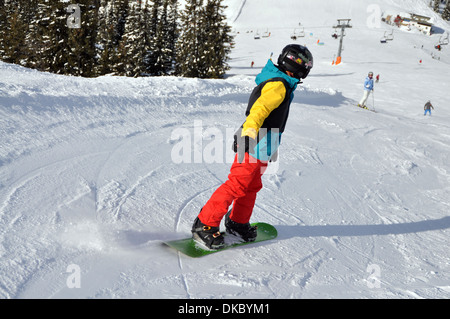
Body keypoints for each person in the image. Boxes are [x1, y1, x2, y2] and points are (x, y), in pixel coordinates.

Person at [191, 44, 314, 249]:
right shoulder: (279, 85)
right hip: (254, 141)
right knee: (237, 184)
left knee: (251, 186)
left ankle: (237, 222)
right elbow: (259, 110)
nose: (307, 67)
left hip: (264, 144)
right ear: (295, 64)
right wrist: (248, 133)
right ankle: (204, 224)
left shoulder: (283, 82)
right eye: (306, 63)